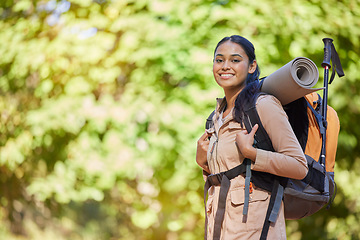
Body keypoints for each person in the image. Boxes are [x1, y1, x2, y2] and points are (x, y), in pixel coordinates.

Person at [196, 35, 309, 240]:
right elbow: (232, 174)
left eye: (235, 60)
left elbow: (299, 166)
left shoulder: (263, 105)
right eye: (219, 60)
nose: (225, 66)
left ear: (251, 66)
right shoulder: (216, 117)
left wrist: (252, 153)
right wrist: (203, 162)